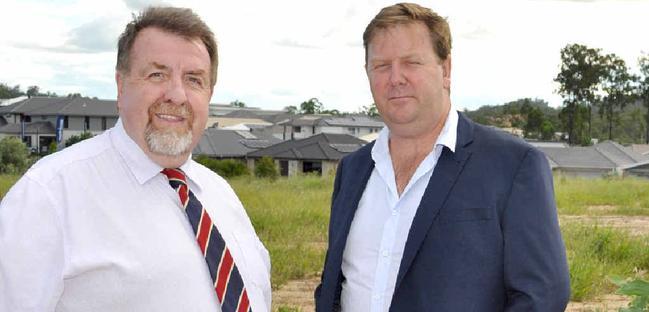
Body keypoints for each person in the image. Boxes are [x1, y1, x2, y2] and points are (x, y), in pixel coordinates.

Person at [0, 7, 271, 311]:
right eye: (157, 74)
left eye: (194, 79)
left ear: (209, 93)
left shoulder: (221, 194)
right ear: (121, 86)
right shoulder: (48, 196)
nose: (177, 95)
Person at [315, 3, 570, 311]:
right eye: (381, 66)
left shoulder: (513, 165)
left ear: (445, 69)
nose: (395, 78)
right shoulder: (352, 170)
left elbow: (541, 297)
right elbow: (334, 285)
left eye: (411, 62)